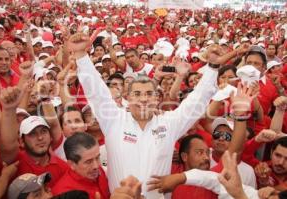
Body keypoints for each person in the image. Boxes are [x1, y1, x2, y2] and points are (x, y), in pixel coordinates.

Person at [67, 33, 248, 197]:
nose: (143, 99)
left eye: (149, 94)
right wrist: (81, 55)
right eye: (137, 94)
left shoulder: (169, 124)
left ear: (157, 98)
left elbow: (196, 102)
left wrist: (213, 67)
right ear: (127, 98)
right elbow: (97, 92)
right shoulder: (114, 120)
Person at [0, 86, 68, 188]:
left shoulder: (63, 167)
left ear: (51, 136)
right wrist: (9, 109)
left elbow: (54, 124)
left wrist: (45, 98)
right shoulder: (14, 162)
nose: (40, 138)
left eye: (44, 131)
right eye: (32, 134)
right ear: (21, 141)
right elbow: (7, 145)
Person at [52, 133, 110, 199]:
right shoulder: (63, 194)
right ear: (72, 164)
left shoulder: (96, 170)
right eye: (88, 162)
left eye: (97, 158)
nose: (96, 166)